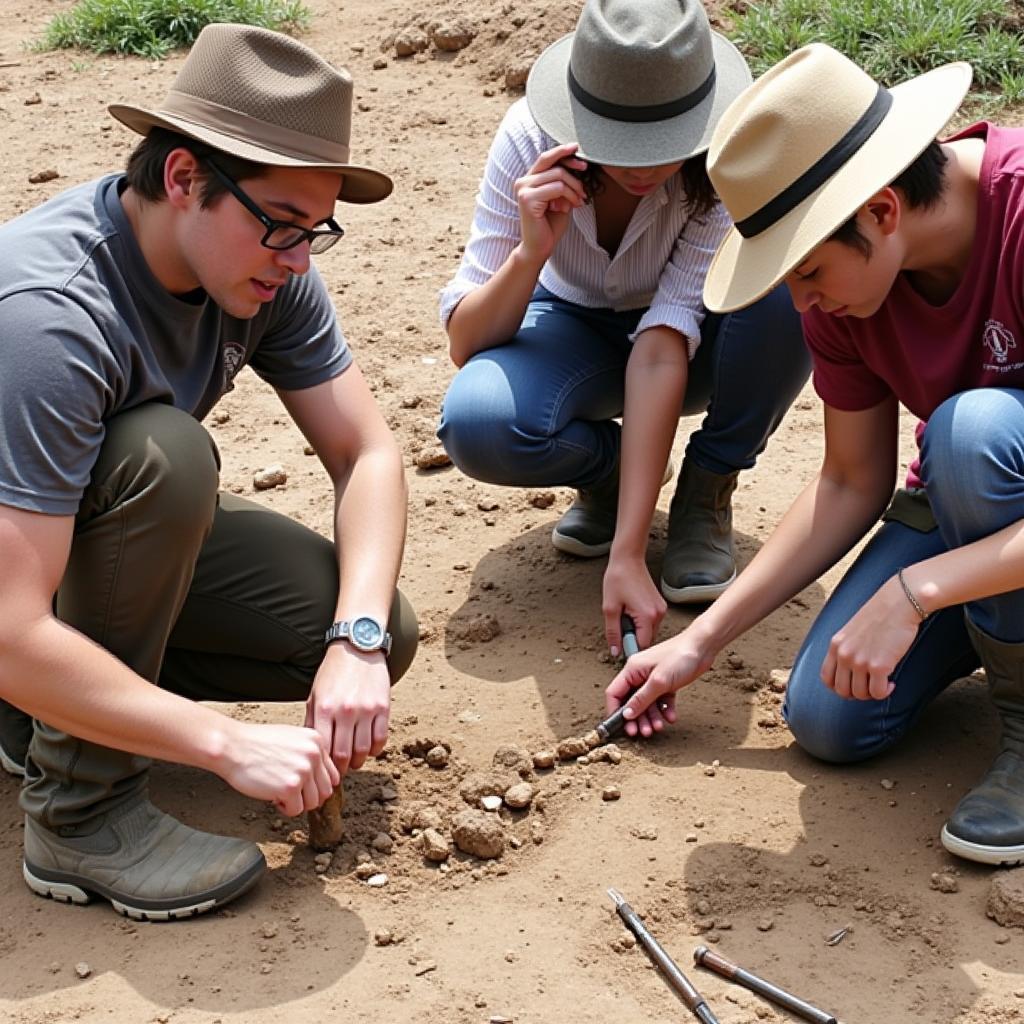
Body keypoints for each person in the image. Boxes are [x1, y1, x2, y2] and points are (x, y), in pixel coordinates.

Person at [0, 22, 418, 919]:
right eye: (282, 226)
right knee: (165, 457)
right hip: (9, 586)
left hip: (50, 540)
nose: (301, 258)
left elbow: (368, 453)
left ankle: (35, 715)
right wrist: (225, 743)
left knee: (369, 623)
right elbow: (6, 625)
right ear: (186, 177)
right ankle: (82, 815)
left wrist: (358, 642)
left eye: (318, 231)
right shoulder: (49, 319)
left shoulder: (266, 270)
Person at [608, 42, 1024, 867]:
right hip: (972, 506)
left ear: (880, 209)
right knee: (830, 718)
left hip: (980, 471)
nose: (800, 301)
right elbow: (850, 479)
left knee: (971, 432)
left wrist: (915, 592)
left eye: (806, 269)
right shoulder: (849, 289)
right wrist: (703, 641)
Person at [436, 0, 808, 654]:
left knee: (787, 290)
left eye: (664, 144)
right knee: (480, 422)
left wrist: (629, 555)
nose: (641, 167)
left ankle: (706, 488)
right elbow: (466, 342)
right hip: (569, 335)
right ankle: (606, 477)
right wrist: (531, 253)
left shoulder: (722, 160)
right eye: (621, 141)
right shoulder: (527, 138)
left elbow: (663, 345)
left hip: (694, 347)